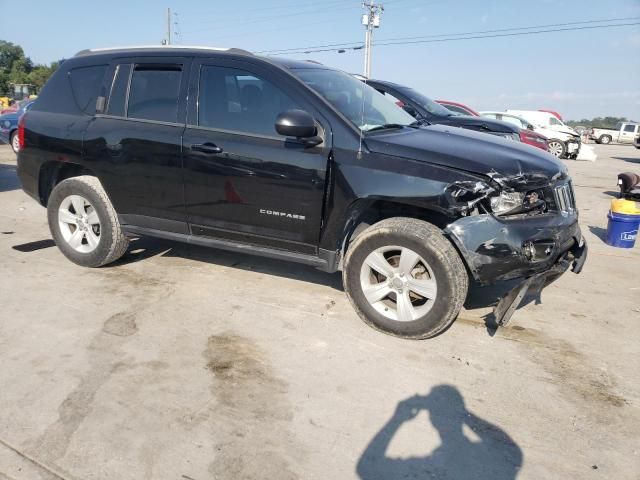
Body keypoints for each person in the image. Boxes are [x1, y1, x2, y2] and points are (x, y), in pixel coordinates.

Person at [357, 385, 523, 480]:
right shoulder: (491, 461)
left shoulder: (425, 469)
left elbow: (365, 468)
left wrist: (397, 419)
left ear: (432, 421)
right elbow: (508, 447)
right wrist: (463, 414)